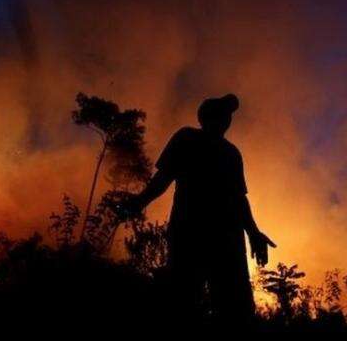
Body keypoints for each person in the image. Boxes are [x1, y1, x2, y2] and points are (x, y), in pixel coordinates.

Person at [118, 93, 275, 324]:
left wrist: (254, 233)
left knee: (234, 309)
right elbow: (163, 179)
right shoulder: (187, 138)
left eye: (228, 115)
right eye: (222, 113)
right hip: (192, 235)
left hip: (225, 240)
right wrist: (139, 202)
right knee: (184, 302)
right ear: (206, 117)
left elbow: (239, 198)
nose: (227, 119)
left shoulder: (232, 153)